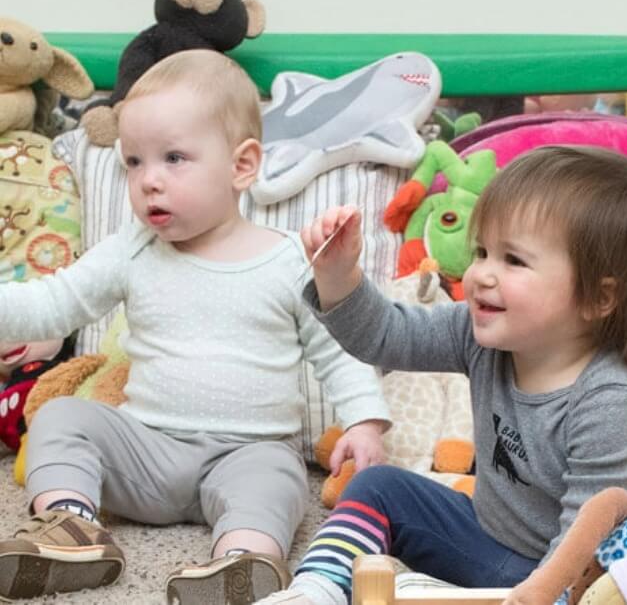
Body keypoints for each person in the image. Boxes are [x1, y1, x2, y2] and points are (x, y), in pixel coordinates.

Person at [0, 49, 391, 604]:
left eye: (174, 158)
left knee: (279, 481)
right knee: (62, 418)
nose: (149, 181)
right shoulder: (131, 251)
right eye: (133, 163)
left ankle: (243, 559)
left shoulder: (286, 262)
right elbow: (54, 302)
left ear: (241, 165)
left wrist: (366, 422)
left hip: (246, 451)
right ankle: (72, 528)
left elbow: (338, 349)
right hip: (145, 448)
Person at [260, 145, 627, 605]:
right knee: (378, 485)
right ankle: (313, 591)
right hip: (489, 536)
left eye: (513, 260)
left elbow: (587, 546)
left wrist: (532, 595)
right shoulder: (480, 337)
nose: (480, 275)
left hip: (564, 580)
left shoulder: (608, 402)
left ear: (600, 299)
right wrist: (337, 275)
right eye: (482, 251)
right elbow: (387, 335)